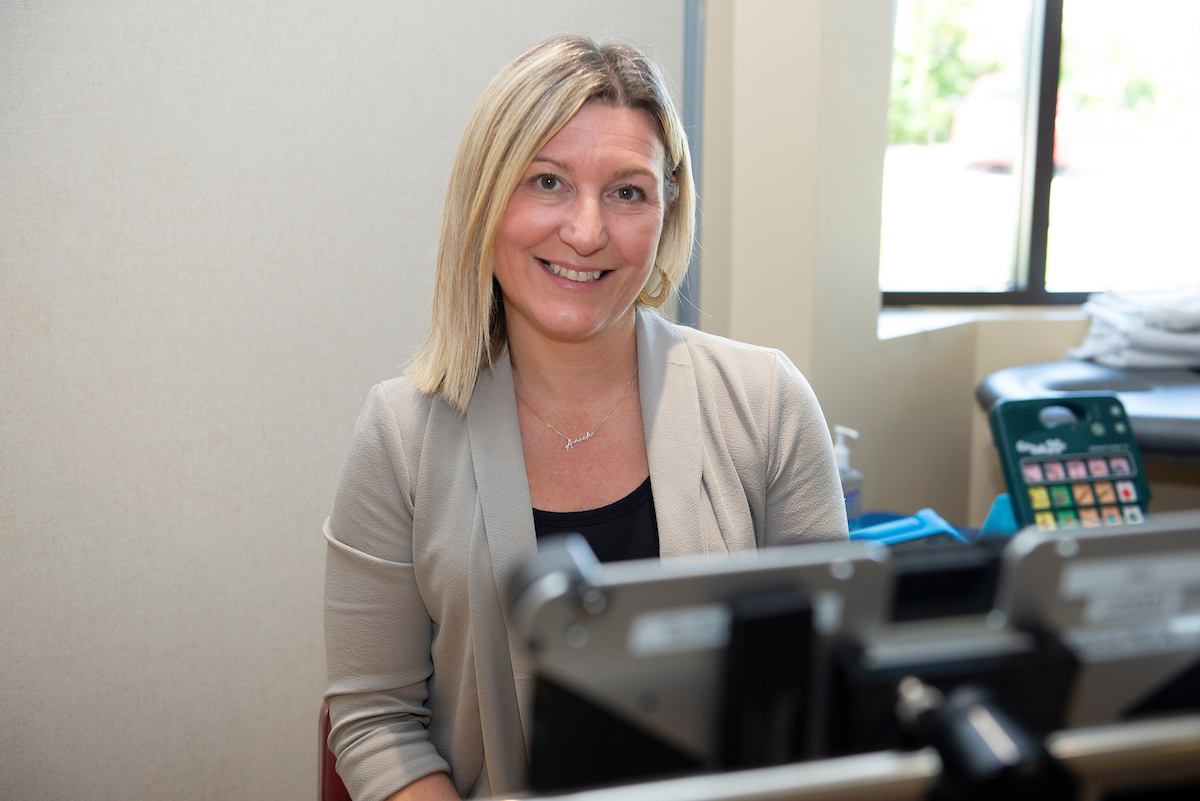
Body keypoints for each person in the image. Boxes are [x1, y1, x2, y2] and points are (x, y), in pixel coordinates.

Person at [323, 34, 849, 801]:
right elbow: (375, 720)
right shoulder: (401, 434)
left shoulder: (767, 403)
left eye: (628, 192)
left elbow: (823, 687)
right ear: (487, 196)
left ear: (668, 211)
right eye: (547, 181)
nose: (586, 231)